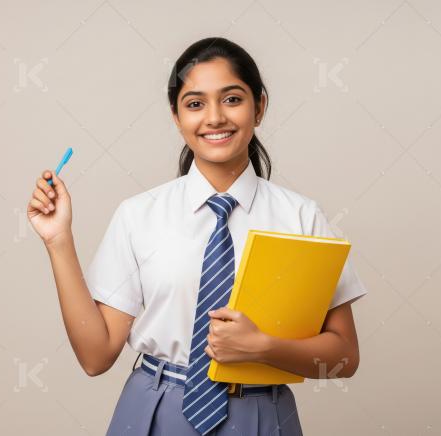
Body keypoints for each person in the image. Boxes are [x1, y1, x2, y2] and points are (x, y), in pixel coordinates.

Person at [26, 37, 367, 436]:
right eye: (195, 103)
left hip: (261, 413)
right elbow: (95, 357)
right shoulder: (139, 215)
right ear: (176, 116)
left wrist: (263, 347)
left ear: (259, 107)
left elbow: (344, 356)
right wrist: (58, 241)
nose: (215, 117)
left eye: (233, 99)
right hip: (154, 409)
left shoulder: (301, 216)